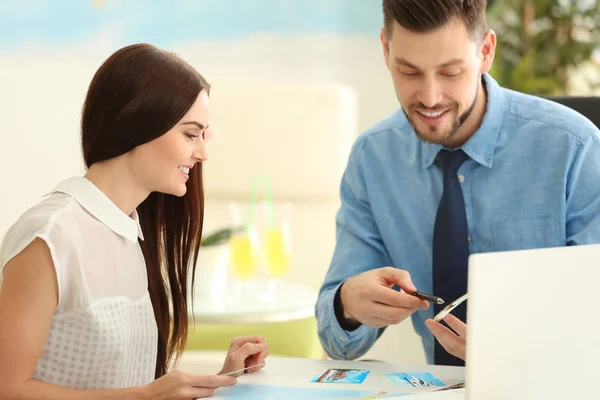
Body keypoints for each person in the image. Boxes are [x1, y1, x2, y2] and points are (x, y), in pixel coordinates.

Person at [316, 0, 600, 366]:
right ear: (386, 50)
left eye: (450, 73)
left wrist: (516, 351)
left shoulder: (574, 148)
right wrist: (348, 304)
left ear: (485, 52)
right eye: (410, 72)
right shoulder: (373, 159)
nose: (430, 98)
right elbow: (339, 342)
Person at [0, 43, 268, 399]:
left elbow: (123, 383)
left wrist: (219, 380)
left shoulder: (132, 232)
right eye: (191, 134)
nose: (203, 152)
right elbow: (7, 388)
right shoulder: (49, 237)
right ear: (137, 124)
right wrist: (145, 396)